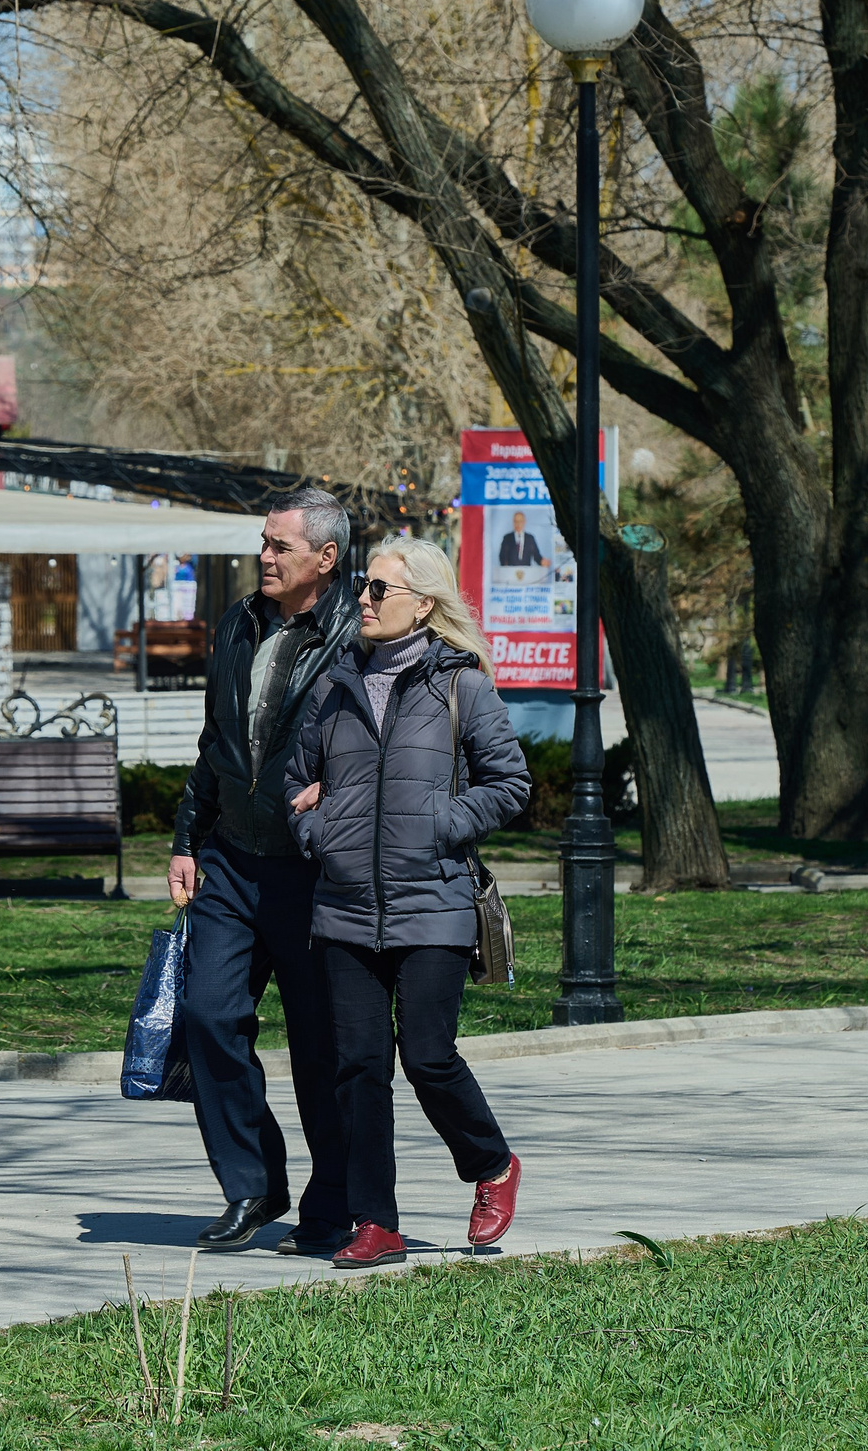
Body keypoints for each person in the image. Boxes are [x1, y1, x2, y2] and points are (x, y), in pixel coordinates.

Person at [286, 537, 530, 1267]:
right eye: (363, 586)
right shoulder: (333, 686)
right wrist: (316, 830)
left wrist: (442, 823)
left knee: (427, 1056)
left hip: (434, 902)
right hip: (345, 908)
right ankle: (375, 1222)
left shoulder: (462, 686)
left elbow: (509, 783)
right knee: (358, 1066)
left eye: (378, 588)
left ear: (423, 603)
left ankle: (492, 1165)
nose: (363, 598)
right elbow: (293, 783)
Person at [167, 487, 358, 1254]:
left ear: (326, 557)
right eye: (264, 541)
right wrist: (187, 838)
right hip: (232, 864)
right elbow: (218, 742)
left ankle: (330, 1206)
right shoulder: (240, 622)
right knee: (207, 1016)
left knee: (321, 1049)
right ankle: (254, 1182)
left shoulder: (355, 635)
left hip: (313, 871)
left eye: (281, 545)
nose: (264, 555)